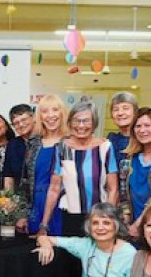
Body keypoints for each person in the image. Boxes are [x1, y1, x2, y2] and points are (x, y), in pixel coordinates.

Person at [39, 98, 117, 238]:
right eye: (76, 120)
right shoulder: (62, 148)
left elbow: (113, 189)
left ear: (94, 124)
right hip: (70, 216)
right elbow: (54, 188)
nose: (81, 125)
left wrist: (107, 219)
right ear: (69, 123)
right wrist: (44, 224)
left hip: (99, 217)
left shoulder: (105, 148)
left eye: (86, 121)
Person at [117, 107, 151, 238]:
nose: (142, 130)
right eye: (138, 126)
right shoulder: (127, 160)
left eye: (147, 125)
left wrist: (139, 225)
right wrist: (127, 224)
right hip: (131, 230)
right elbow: (124, 197)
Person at [22, 94, 68, 235]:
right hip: (36, 204)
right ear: (39, 117)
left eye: (55, 110)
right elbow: (25, 181)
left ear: (62, 113)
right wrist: (23, 213)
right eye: (45, 111)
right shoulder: (34, 143)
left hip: (63, 206)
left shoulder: (70, 142)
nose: (50, 116)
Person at [2, 103, 35, 195]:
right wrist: (9, 198)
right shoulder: (12, 145)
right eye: (16, 123)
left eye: (24, 120)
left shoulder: (44, 140)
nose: (21, 125)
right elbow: (8, 176)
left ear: (33, 118)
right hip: (21, 197)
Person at [107, 91, 139, 168]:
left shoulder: (143, 139)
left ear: (135, 112)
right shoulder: (111, 140)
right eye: (115, 109)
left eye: (125, 108)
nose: (120, 113)